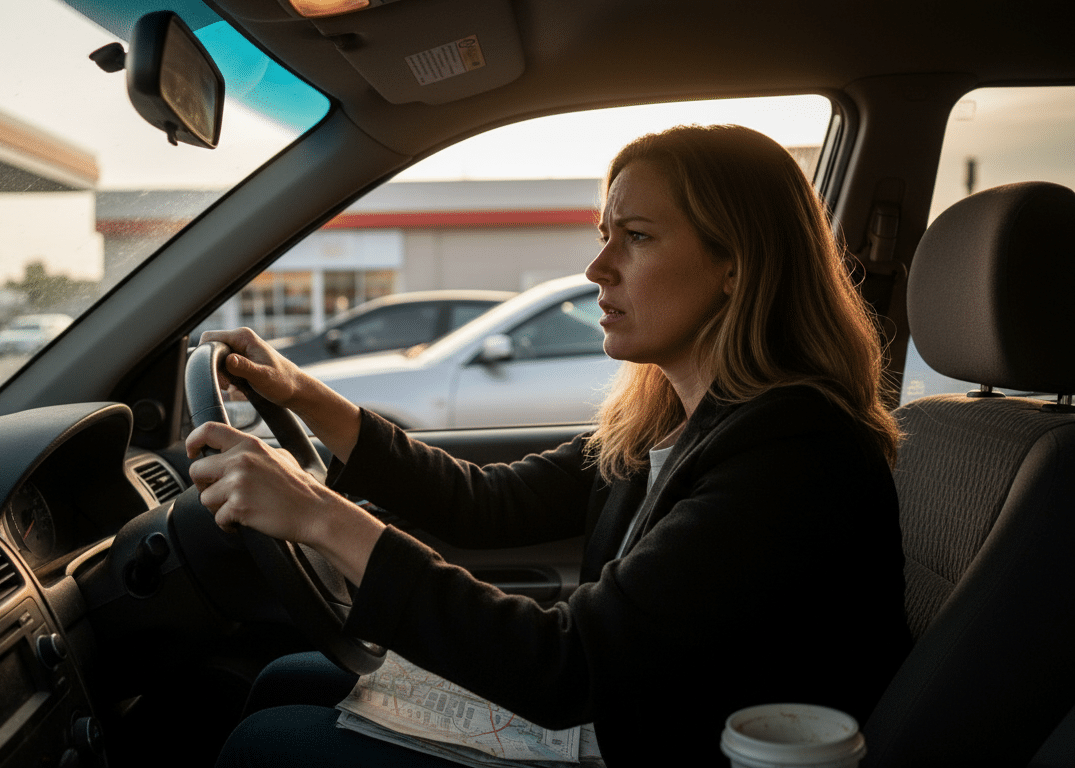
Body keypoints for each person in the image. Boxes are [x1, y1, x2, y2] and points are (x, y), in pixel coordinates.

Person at [185, 124, 911, 766]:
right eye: (604, 234)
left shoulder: (793, 457)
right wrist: (302, 393)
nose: (598, 268)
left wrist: (318, 515)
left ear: (736, 265)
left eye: (637, 236)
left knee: (268, 742)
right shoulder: (674, 420)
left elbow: (567, 666)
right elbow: (485, 503)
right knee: (284, 679)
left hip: (662, 743)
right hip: (629, 720)